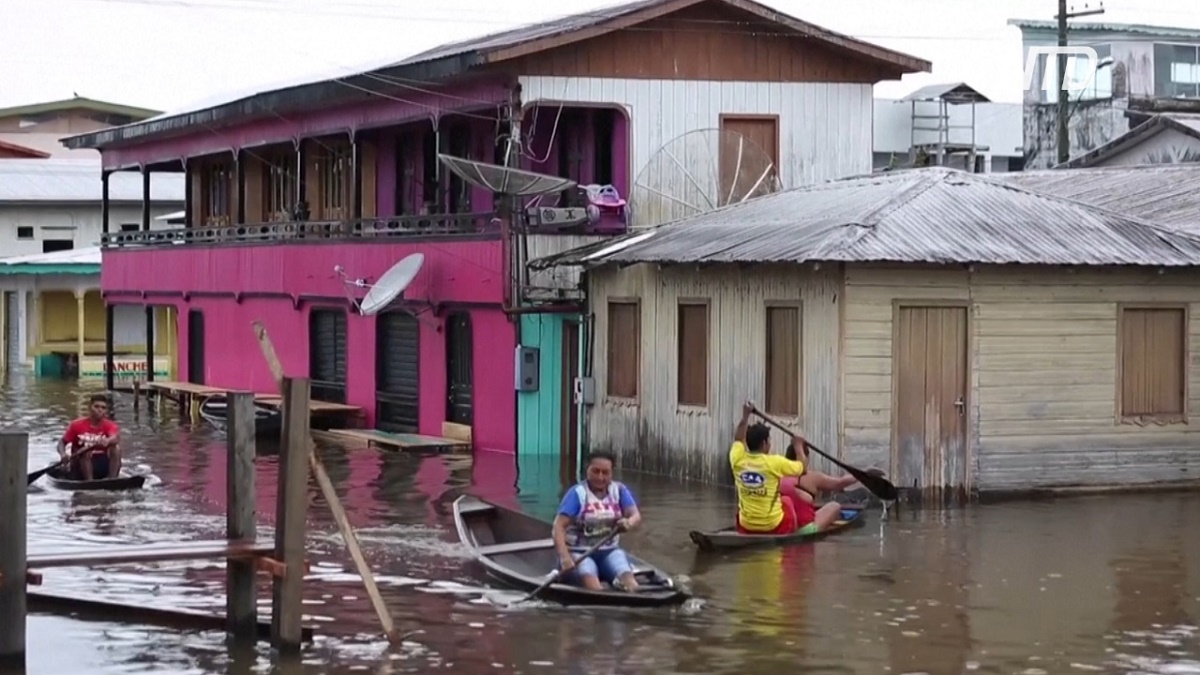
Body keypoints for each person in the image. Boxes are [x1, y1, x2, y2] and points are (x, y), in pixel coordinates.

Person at [731, 400, 849, 536]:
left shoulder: (737, 459)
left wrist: (745, 417)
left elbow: (738, 439)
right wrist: (798, 446)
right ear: (764, 444)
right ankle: (792, 533)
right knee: (786, 501)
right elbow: (802, 469)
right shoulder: (774, 462)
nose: (770, 443)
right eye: (769, 440)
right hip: (773, 527)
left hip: (746, 526)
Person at [552, 450, 642, 592]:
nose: (600, 477)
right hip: (579, 553)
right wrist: (565, 558)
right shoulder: (578, 494)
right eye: (596, 471)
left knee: (630, 583)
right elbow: (558, 527)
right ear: (587, 470)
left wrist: (628, 523)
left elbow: (635, 515)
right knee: (593, 587)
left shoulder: (618, 490)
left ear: (611, 473)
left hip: (610, 550)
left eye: (605, 472)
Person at [58, 394, 121, 480]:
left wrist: (108, 440)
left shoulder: (110, 425)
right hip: (80, 464)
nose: (100, 410)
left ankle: (112, 479)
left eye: (103, 408)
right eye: (96, 407)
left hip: (101, 463)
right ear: (90, 407)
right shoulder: (76, 425)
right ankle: (89, 482)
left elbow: (115, 438)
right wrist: (63, 454)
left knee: (116, 449)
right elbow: (62, 442)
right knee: (86, 452)